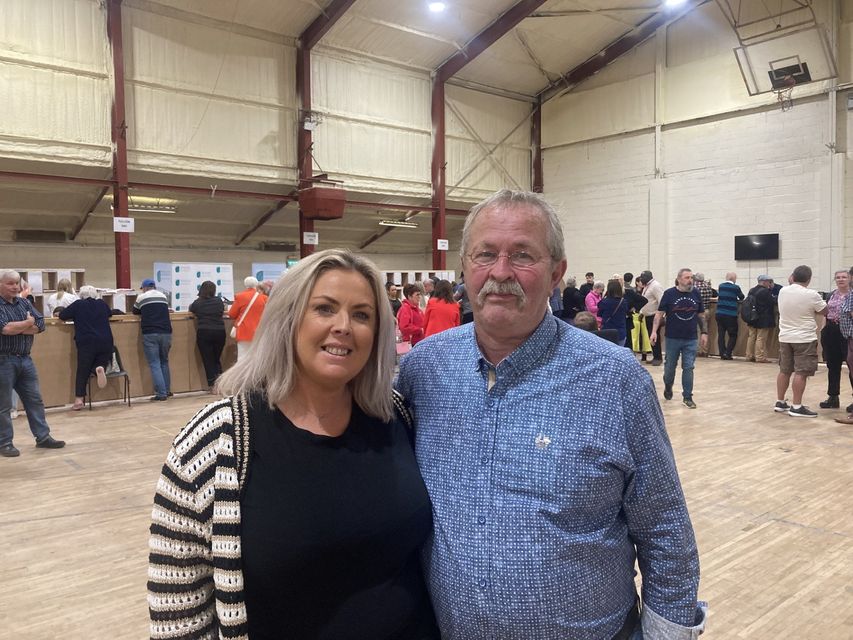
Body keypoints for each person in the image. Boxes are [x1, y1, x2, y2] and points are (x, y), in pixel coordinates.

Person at [396, 189, 706, 639]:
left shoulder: (615, 380)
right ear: (465, 267)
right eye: (486, 254)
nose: (500, 272)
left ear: (557, 271)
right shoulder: (423, 370)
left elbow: (665, 530)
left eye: (522, 255)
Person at [148, 249, 437, 639]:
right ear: (288, 319)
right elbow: (177, 614)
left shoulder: (397, 416)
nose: (344, 326)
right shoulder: (217, 441)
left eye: (362, 314)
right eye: (324, 308)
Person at [0, 269, 65, 457]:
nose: (15, 287)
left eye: (16, 283)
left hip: (25, 359)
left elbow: (41, 324)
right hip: (4, 360)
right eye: (9, 283)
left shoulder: (23, 302)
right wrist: (27, 324)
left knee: (34, 400)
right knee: (4, 405)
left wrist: (21, 326)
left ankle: (43, 437)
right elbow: (5, 328)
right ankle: (5, 443)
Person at [775, 265, 827, 417]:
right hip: (804, 338)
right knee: (801, 372)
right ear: (809, 279)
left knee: (784, 370)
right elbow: (825, 311)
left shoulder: (783, 291)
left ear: (792, 277)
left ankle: (780, 402)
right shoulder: (812, 294)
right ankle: (797, 406)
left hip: (785, 337)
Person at [652, 268, 707, 409]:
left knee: (688, 367)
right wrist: (654, 332)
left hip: (691, 338)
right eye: (687, 277)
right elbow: (659, 314)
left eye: (691, 277)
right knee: (670, 368)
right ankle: (668, 386)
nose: (690, 280)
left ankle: (687, 396)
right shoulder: (669, 294)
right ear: (679, 279)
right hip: (672, 338)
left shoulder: (696, 293)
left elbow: (701, 315)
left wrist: (704, 332)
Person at [58, 285, 114, 410]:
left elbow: (62, 315)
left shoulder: (79, 304)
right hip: (105, 340)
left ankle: (79, 400)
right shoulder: (102, 304)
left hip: (86, 341)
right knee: (102, 361)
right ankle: (99, 369)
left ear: (81, 295)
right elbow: (110, 313)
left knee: (82, 369)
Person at [133, 278, 172, 402]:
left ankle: (161, 394)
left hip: (150, 333)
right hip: (166, 332)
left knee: (155, 363)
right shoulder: (163, 296)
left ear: (144, 288)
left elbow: (135, 311)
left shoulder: (141, 297)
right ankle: (166, 390)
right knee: (164, 362)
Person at [818, 270, 852, 409]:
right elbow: (826, 313)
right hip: (831, 331)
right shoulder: (831, 295)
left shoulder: (851, 295)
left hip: (847, 332)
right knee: (832, 365)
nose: (841, 279)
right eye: (838, 277)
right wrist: (823, 329)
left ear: (850, 278)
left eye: (844, 277)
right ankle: (833, 397)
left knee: (851, 365)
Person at [189, 280, 227, 390]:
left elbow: (191, 309)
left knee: (208, 359)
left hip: (204, 332)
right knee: (216, 358)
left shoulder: (197, 302)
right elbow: (223, 310)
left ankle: (213, 386)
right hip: (220, 332)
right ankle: (220, 384)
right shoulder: (218, 301)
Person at [228, 276, 268, 360]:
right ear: (256, 285)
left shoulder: (239, 296)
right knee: (257, 359)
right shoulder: (264, 298)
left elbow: (231, 314)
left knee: (242, 358)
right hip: (259, 332)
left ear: (245, 285)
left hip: (243, 331)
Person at [745, 275, 776, 363]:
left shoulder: (751, 290)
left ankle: (749, 355)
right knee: (761, 338)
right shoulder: (765, 291)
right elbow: (772, 302)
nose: (769, 283)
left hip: (752, 317)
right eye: (768, 282)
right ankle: (759, 357)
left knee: (751, 336)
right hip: (763, 318)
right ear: (764, 282)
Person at [715, 272, 744, 360]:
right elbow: (742, 297)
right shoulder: (736, 287)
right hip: (730, 314)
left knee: (721, 334)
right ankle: (728, 353)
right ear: (733, 279)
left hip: (719, 313)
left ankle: (722, 353)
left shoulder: (721, 286)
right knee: (733, 334)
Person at [639, 270, 664, 365]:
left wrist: (660, 315)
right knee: (651, 336)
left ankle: (658, 358)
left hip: (654, 316)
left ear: (648, 277)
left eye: (642, 277)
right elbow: (646, 301)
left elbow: (661, 300)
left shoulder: (655, 286)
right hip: (648, 316)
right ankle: (655, 356)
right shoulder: (647, 286)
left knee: (654, 336)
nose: (641, 279)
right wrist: (642, 313)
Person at [597, 278, 628, 346]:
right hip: (620, 331)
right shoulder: (624, 302)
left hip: (607, 330)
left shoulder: (604, 302)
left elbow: (599, 314)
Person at [692, 274, 715, 357]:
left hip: (698, 312)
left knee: (698, 331)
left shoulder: (694, 287)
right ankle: (705, 351)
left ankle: (698, 351)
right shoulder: (707, 286)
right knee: (705, 331)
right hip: (707, 310)